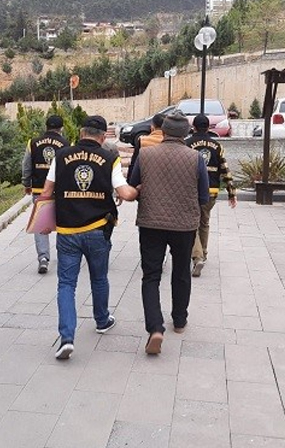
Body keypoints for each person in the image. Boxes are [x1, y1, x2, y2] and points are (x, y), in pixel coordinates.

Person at [41, 115, 138, 360]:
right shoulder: (109, 158)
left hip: (67, 231)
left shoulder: (61, 155)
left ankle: (66, 338)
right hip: (98, 230)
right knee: (99, 278)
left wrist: (43, 223)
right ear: (103, 137)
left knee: (66, 284)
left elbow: (46, 191)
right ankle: (102, 320)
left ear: (80, 132)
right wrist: (138, 190)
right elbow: (125, 193)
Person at [128, 110, 209, 355]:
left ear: (163, 131)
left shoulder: (146, 154)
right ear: (186, 133)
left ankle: (155, 328)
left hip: (151, 223)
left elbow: (133, 185)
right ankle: (180, 320)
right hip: (184, 226)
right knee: (181, 272)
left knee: (151, 275)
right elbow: (203, 197)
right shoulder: (196, 158)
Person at [184, 114, 237, 277]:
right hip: (211, 191)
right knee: (204, 222)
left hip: (192, 191)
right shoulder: (217, 146)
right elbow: (225, 169)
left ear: (193, 127)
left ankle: (197, 256)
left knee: (192, 224)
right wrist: (231, 192)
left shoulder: (187, 144)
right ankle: (204, 253)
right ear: (208, 127)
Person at [22, 115, 69, 274]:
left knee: (41, 224)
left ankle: (43, 258)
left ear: (46, 127)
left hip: (39, 190)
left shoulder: (33, 143)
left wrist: (26, 184)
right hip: (60, 191)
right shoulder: (66, 144)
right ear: (61, 128)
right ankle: (64, 255)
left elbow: (26, 165)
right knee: (63, 222)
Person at [127, 113, 165, 180]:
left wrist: (130, 181)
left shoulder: (143, 141)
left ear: (152, 127)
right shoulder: (170, 142)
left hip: (145, 180)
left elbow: (134, 164)